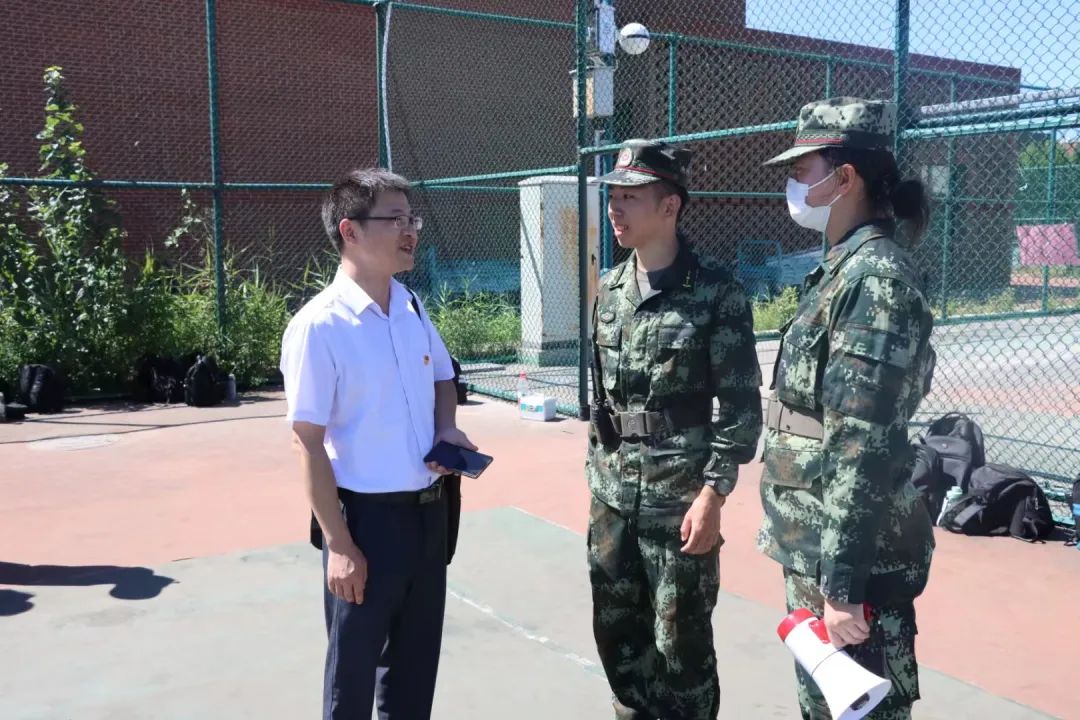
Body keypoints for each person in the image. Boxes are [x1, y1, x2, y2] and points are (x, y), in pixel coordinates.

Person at [755, 97, 937, 720]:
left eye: (802, 171)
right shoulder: (842, 269)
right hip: (814, 542)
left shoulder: (874, 280)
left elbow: (861, 442)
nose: (792, 184)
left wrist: (842, 585)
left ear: (845, 178)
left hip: (850, 564)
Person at [280, 168, 476, 720]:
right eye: (395, 219)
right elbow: (306, 442)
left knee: (414, 672)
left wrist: (446, 428)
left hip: (429, 518)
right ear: (351, 230)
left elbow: (443, 376)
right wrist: (340, 545)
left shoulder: (411, 306)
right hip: (366, 525)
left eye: (412, 218)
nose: (410, 231)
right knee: (352, 677)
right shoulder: (319, 327)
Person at [586, 139, 764, 720]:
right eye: (613, 196)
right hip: (612, 498)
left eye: (630, 197)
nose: (615, 208)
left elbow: (740, 408)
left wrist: (713, 496)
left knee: (681, 645)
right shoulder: (610, 289)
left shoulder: (716, 292)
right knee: (619, 637)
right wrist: (598, 479)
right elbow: (604, 399)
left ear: (670, 206)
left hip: (679, 502)